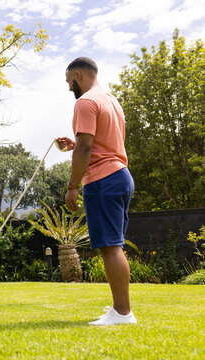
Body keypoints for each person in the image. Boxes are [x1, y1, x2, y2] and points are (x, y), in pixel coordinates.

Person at [57, 57, 137, 326]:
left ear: (78, 75)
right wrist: (75, 142)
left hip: (103, 180)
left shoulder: (86, 102)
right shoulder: (111, 101)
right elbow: (96, 142)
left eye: (69, 82)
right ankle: (119, 309)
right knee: (113, 245)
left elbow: (86, 149)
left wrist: (72, 187)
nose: (70, 88)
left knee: (110, 247)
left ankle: (123, 314)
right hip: (120, 176)